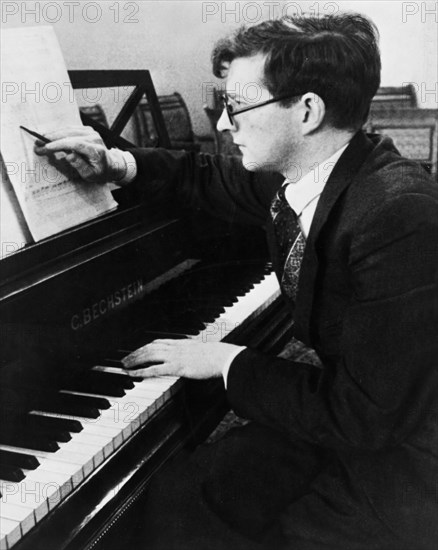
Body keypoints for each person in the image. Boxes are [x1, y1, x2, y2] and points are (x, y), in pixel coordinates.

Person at [36, 12, 438, 550]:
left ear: (308, 111)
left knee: (226, 527)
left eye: (235, 107)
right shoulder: (318, 169)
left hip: (408, 460)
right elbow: (205, 175)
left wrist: (225, 361)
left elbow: (363, 417)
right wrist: (117, 163)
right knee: (186, 493)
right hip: (362, 410)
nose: (224, 125)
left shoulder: (397, 214)